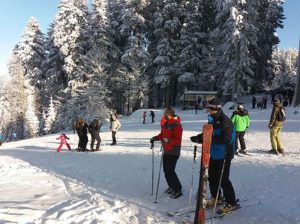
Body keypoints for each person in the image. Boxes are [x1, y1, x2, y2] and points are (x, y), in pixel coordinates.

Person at [190, 98, 237, 214]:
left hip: (224, 155)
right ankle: (216, 198)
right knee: (212, 178)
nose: (207, 110)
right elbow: (209, 133)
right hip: (214, 154)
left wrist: (208, 139)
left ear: (214, 109)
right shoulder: (212, 119)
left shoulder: (225, 121)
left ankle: (231, 202)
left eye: (209, 108)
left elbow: (227, 139)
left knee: (223, 179)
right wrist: (199, 138)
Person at [150, 107, 183, 199]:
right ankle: (171, 186)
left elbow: (178, 140)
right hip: (167, 150)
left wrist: (168, 140)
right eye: (165, 113)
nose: (165, 115)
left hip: (174, 151)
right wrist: (155, 138)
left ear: (171, 114)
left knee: (170, 171)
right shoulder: (166, 124)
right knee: (166, 170)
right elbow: (162, 134)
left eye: (166, 113)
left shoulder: (176, 125)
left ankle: (178, 189)